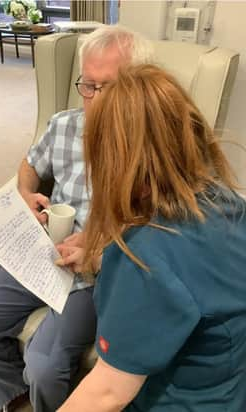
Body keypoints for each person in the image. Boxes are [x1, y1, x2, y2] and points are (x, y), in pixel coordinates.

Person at [0, 26, 153, 412]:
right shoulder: (64, 125)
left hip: (98, 269)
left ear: (136, 87)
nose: (93, 99)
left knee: (43, 364)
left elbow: (157, 225)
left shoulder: (150, 144)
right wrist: (26, 194)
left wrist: (99, 245)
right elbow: (28, 166)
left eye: (106, 87)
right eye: (87, 85)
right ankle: (16, 401)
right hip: (43, 252)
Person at [56, 64, 246, 411]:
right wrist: (101, 257)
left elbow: (107, 393)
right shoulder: (226, 202)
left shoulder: (143, 257)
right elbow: (192, 283)